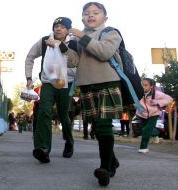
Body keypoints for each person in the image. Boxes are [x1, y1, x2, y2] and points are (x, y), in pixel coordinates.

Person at [69, 2, 122, 186]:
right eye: (86, 13)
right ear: (82, 18)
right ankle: (112, 161)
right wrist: (61, 46)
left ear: (104, 18)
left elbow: (104, 52)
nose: (90, 15)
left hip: (107, 82)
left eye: (95, 12)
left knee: (104, 126)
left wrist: (82, 36)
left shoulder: (111, 32)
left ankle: (105, 168)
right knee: (97, 127)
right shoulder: (79, 39)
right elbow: (72, 62)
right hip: (86, 86)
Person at [25, 17, 79, 163]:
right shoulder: (44, 41)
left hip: (66, 83)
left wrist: (59, 46)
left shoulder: (74, 42)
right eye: (56, 26)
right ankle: (43, 149)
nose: (58, 29)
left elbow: (75, 60)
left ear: (68, 29)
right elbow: (30, 57)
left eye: (62, 26)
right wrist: (29, 78)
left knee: (63, 116)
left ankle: (69, 141)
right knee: (44, 111)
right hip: (48, 82)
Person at [136, 78, 173, 153]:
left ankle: (143, 148)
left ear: (151, 86)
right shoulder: (138, 92)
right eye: (142, 85)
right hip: (142, 114)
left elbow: (169, 99)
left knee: (146, 130)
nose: (143, 87)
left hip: (154, 114)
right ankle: (155, 134)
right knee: (146, 130)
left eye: (146, 85)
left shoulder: (157, 93)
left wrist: (157, 102)